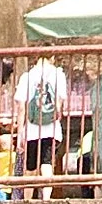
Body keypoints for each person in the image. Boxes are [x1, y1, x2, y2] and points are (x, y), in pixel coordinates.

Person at [14, 49, 69, 191]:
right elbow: (60, 103)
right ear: (52, 56)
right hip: (51, 128)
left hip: (32, 129)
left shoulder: (27, 76)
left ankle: (27, 201)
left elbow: (21, 106)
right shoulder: (58, 75)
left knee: (30, 167)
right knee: (47, 164)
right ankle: (46, 200)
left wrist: (20, 132)